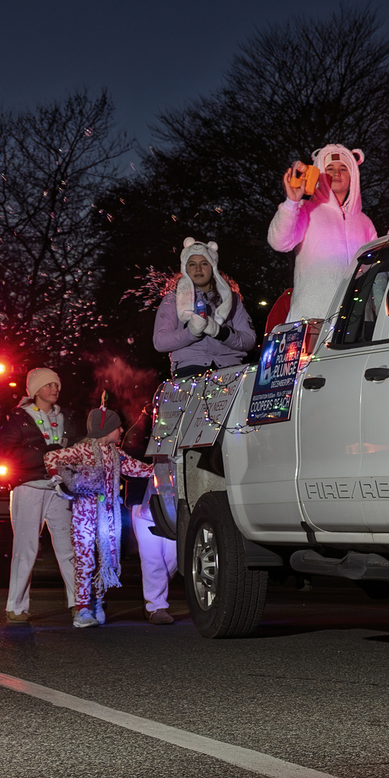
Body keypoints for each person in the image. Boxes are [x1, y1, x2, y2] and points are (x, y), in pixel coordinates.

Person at [45, 405, 153, 628]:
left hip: (109, 515)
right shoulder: (82, 449)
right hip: (84, 514)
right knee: (85, 560)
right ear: (105, 429)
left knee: (108, 558)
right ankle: (82, 609)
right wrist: (58, 481)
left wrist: (159, 470)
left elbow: (135, 468)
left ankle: (98, 603)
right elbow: (51, 457)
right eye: (117, 427)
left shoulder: (115, 453)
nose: (122, 430)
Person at [0, 367, 78, 624]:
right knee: (26, 548)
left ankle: (80, 602)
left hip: (58, 489)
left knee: (69, 548)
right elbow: (7, 454)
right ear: (35, 390)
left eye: (57, 384)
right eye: (49, 385)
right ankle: (17, 606)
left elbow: (75, 449)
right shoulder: (18, 418)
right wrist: (48, 455)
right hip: (29, 487)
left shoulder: (65, 416)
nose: (55, 389)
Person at [267, 143, 378, 322]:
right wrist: (291, 203)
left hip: (355, 322)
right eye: (330, 168)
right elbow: (279, 242)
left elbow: (375, 269)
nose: (336, 173)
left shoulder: (365, 222)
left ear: (353, 176)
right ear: (319, 173)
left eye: (343, 168)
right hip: (312, 317)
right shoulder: (304, 209)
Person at [153, 238, 257, 379]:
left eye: (204, 263)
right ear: (185, 268)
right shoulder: (173, 299)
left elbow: (249, 340)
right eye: (192, 264)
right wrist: (191, 333)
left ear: (212, 266)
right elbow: (160, 342)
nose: (198, 269)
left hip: (230, 370)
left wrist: (221, 332)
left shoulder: (231, 299)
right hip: (190, 372)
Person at [125, 408, 176, 624]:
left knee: (173, 559)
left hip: (174, 505)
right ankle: (156, 606)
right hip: (145, 506)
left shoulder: (183, 426)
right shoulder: (144, 430)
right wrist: (145, 417)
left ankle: (156, 596)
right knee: (152, 558)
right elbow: (129, 447)